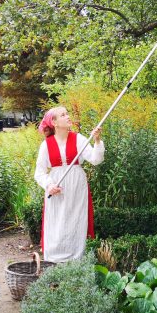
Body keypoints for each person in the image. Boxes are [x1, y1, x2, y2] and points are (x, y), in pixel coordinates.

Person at [34, 106, 104, 263]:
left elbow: (96, 159)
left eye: (67, 113)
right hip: (57, 187)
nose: (68, 117)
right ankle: (53, 261)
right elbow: (39, 173)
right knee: (57, 221)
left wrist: (97, 140)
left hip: (77, 186)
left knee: (76, 220)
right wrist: (49, 185)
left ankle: (77, 259)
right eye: (63, 115)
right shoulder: (46, 145)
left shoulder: (78, 139)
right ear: (54, 122)